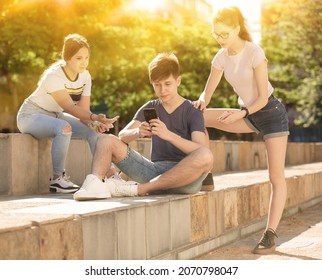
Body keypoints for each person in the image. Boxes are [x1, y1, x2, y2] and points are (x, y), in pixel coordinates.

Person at [193, 6, 289, 254]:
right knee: (197, 118)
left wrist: (243, 112)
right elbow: (208, 91)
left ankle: (270, 235)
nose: (220, 39)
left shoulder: (254, 52)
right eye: (216, 34)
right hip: (246, 114)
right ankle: (206, 174)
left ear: (237, 28)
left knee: (276, 178)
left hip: (269, 114)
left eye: (224, 34)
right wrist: (201, 101)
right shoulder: (221, 57)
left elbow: (263, 99)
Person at [73, 52, 213, 200]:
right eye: (157, 85)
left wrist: (169, 135)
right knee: (105, 140)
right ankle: (95, 185)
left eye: (167, 84)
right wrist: (138, 132)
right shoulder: (151, 107)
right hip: (153, 172)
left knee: (206, 155)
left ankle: (140, 189)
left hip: (185, 178)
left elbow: (200, 149)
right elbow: (122, 136)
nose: (162, 90)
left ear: (178, 81)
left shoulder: (192, 110)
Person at [17, 33, 119, 194]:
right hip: (30, 115)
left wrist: (94, 123)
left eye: (86, 57)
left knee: (93, 132)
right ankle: (58, 179)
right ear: (67, 58)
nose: (84, 62)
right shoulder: (54, 76)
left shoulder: (85, 76)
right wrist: (93, 117)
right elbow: (70, 107)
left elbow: (83, 111)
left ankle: (111, 176)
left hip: (55, 116)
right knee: (64, 128)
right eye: (79, 58)